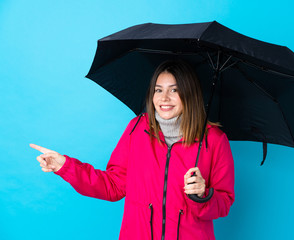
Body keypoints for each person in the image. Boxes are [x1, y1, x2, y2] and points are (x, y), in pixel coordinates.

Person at [30, 59, 235, 240]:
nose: (164, 98)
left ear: (189, 93)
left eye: (174, 89)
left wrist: (203, 194)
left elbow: (224, 202)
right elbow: (112, 186)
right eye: (158, 89)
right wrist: (65, 166)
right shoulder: (136, 129)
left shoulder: (214, 140)